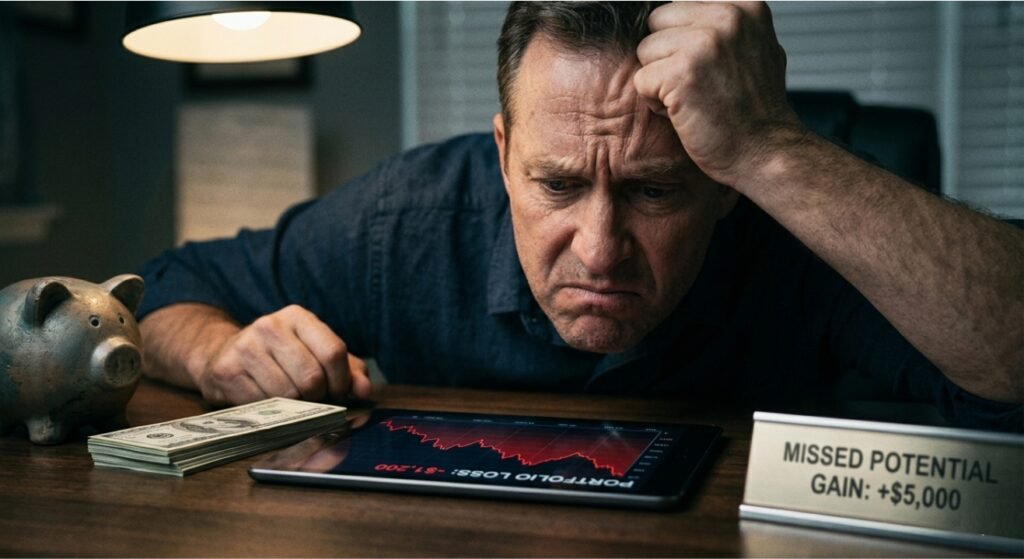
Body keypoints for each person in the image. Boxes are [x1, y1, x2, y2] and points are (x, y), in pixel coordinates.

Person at [136, 2, 1023, 432]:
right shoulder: (406, 219)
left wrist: (771, 148)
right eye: (557, 184)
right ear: (501, 158)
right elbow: (173, 285)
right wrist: (218, 351)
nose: (599, 251)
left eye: (653, 190)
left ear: (720, 181)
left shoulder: (791, 216)